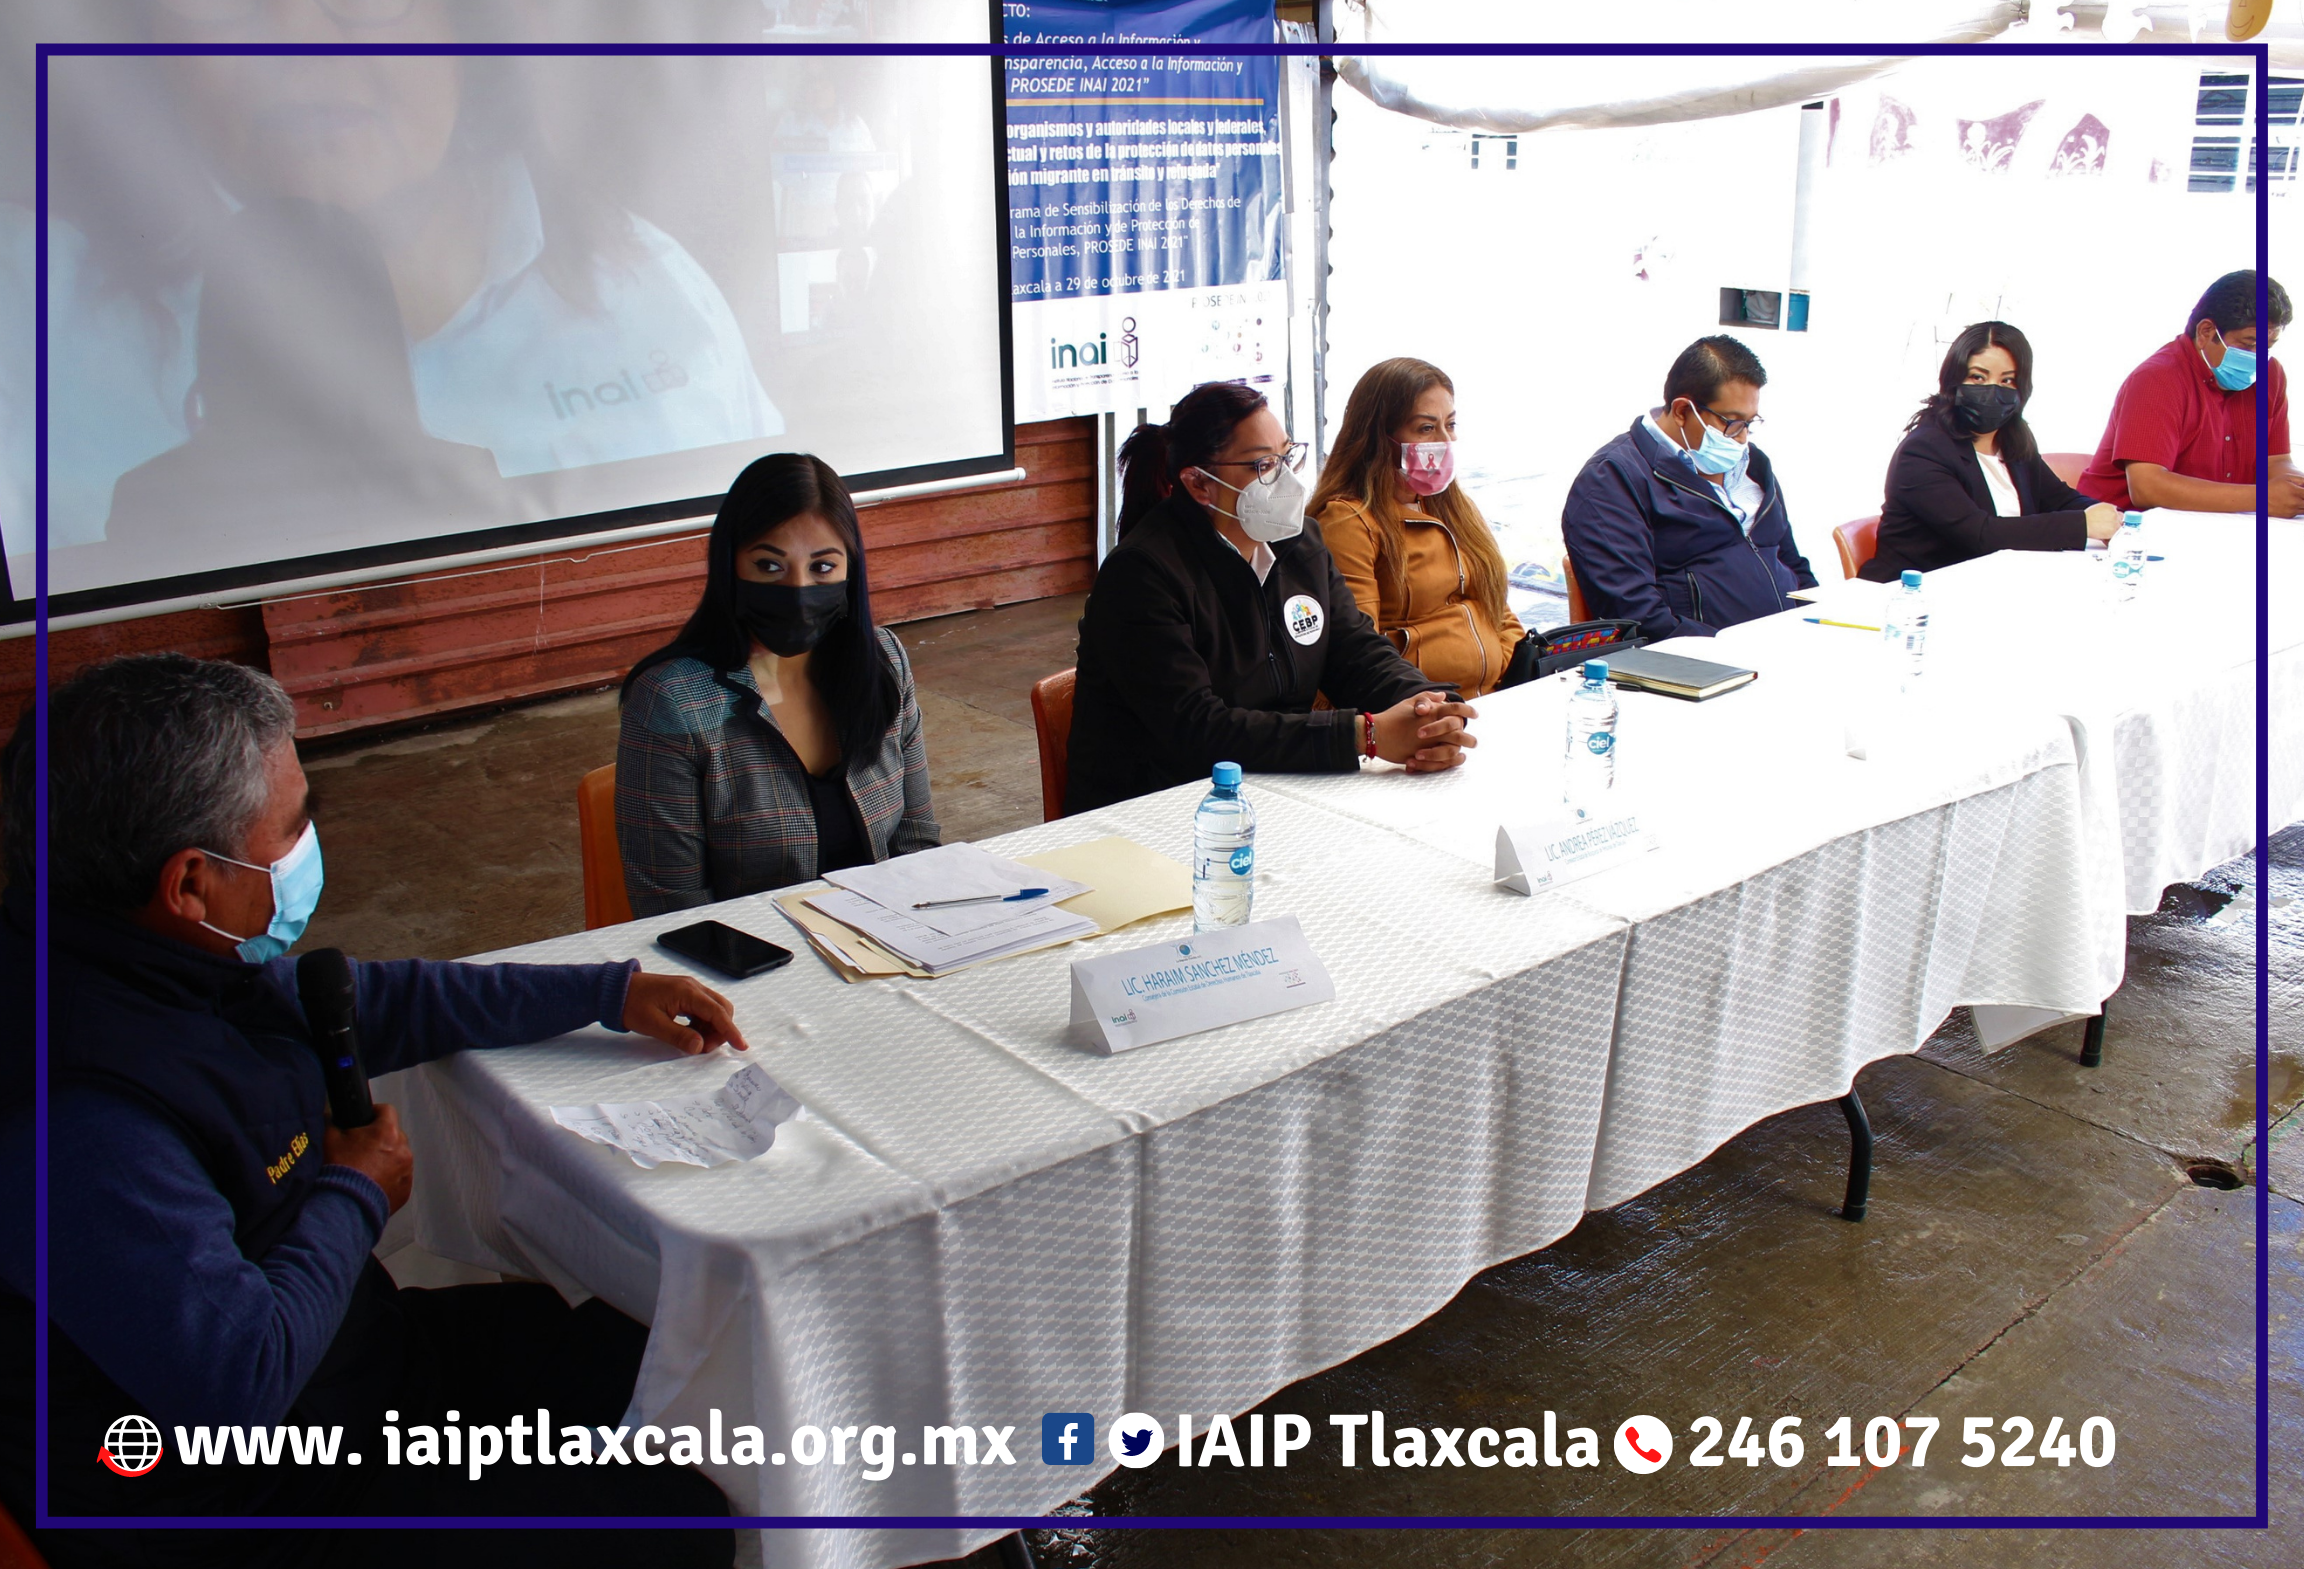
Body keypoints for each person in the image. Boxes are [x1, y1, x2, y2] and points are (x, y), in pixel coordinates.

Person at [0, 654, 743, 1568]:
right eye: (293, 825)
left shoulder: (148, 954)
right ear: (190, 882)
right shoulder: (80, 1124)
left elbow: (376, 1000)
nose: (310, 843)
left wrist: (607, 991)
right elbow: (240, 1378)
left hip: (354, 1374)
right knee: (669, 1518)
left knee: (664, 1361)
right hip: (253, 1497)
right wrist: (355, 1191)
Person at [1064, 381, 1479, 815]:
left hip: (1273, 787)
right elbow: (1197, 728)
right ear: (1199, 484)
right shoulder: (1141, 575)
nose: (1285, 479)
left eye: (1286, 456)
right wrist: (1363, 735)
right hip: (1157, 809)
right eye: (1263, 465)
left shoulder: (1299, 543)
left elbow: (1355, 650)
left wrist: (1430, 708)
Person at [618, 453, 937, 915]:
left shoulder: (884, 660)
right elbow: (673, 908)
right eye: (770, 566)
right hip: (755, 949)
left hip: (887, 937)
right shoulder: (672, 699)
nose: (798, 590)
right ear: (730, 566)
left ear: (850, 570)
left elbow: (917, 842)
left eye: (822, 567)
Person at [1560, 335, 1816, 642]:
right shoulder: (1612, 480)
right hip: (1707, 658)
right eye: (1732, 423)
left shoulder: (1752, 466)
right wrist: (1737, 649)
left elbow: (1792, 562)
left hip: (1790, 643)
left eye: (1749, 423)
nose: (1742, 439)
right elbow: (1636, 614)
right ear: (1682, 410)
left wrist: (1819, 620)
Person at [1308, 357, 1531, 695]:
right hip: (1418, 708)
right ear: (1380, 436)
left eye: (1450, 424)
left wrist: (1518, 674)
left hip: (1489, 701)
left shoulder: (1457, 508)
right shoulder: (1347, 521)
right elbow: (1357, 650)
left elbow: (1496, 607)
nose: (1445, 440)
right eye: (1426, 428)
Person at [1864, 321, 2123, 580]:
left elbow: (2059, 498)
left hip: (1996, 582)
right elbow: (1981, 535)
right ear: (1954, 379)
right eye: (1978, 377)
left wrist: (2113, 519)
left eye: (2007, 380)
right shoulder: (1922, 451)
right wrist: (2082, 525)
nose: (1992, 390)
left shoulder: (2013, 439)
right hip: (1916, 591)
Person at [2077, 269, 2303, 517]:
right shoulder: (2157, 379)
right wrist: (2260, 499)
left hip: (2214, 525)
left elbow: (2276, 462)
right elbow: (2146, 487)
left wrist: (2296, 490)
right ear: (2206, 332)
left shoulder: (2270, 375)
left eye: (2267, 347)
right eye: (2249, 345)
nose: (2258, 358)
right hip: (2119, 528)